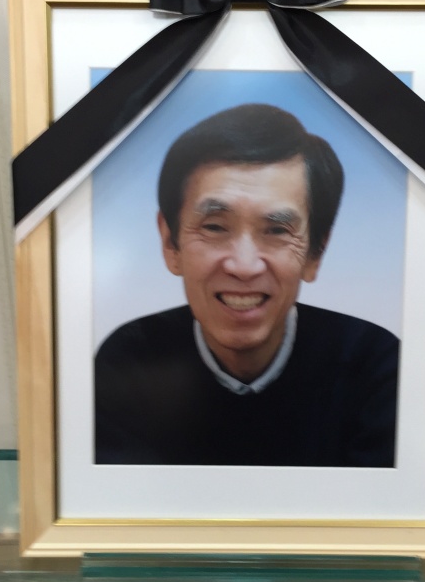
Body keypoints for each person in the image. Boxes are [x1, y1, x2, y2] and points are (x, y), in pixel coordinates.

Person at [95, 103, 399, 467]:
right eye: (214, 227)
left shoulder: (375, 368)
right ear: (170, 243)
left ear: (315, 253)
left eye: (276, 230)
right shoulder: (129, 362)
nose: (243, 266)